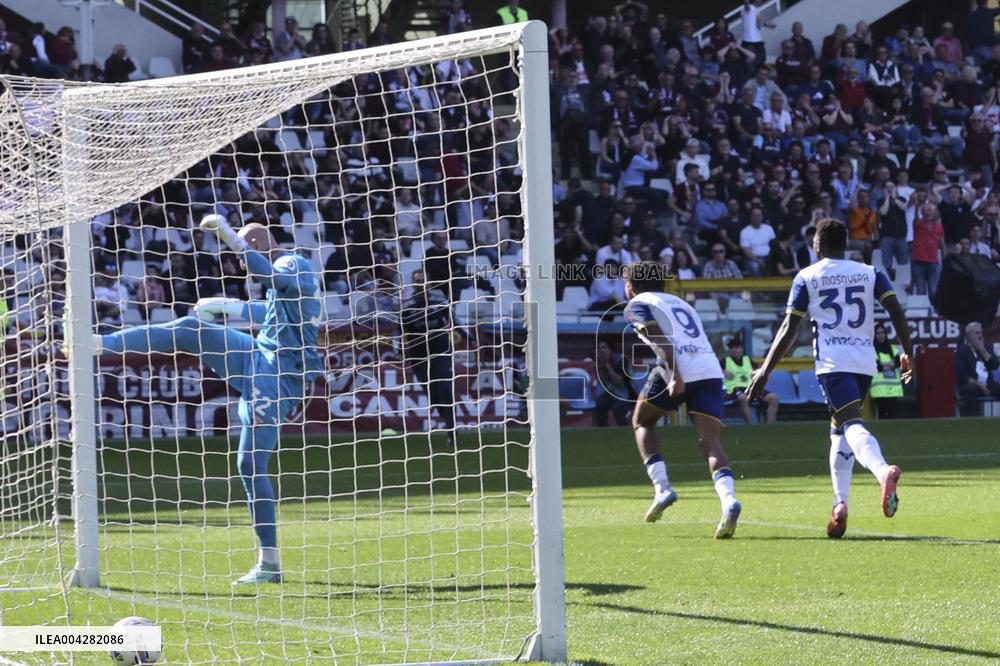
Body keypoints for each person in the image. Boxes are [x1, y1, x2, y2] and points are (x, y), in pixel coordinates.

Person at [90, 216, 322, 584]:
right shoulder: (285, 276)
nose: (241, 265)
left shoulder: (290, 263)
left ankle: (270, 563)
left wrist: (231, 237)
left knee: (250, 464)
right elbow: (272, 312)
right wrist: (228, 307)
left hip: (277, 377)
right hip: (258, 356)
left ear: (256, 247)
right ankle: (101, 344)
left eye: (243, 257)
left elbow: (274, 279)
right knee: (191, 329)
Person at [748, 219, 913, 539]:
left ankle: (883, 472)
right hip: (864, 363)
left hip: (833, 363)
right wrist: (907, 351)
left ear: (818, 245)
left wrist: (765, 370)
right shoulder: (869, 272)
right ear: (846, 242)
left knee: (851, 424)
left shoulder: (807, 276)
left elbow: (789, 328)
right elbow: (896, 310)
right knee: (840, 429)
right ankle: (840, 504)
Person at [623, 262, 743, 539]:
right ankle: (729, 502)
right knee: (710, 443)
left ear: (631, 285)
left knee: (641, 421)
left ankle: (662, 488)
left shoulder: (637, 304)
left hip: (677, 369)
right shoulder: (681, 303)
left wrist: (675, 374)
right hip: (709, 370)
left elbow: (663, 341)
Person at [398, 270, 457, 446]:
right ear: (413, 284)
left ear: (429, 284)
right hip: (419, 357)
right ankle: (449, 424)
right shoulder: (407, 308)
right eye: (417, 281)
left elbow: (455, 322)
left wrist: (470, 339)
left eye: (423, 281)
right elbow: (399, 331)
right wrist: (397, 349)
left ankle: (451, 431)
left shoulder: (439, 304)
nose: (420, 284)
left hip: (441, 352)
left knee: (445, 389)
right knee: (433, 395)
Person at [722, 337, 779, 423]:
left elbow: (760, 370)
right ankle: (750, 425)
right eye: (731, 348)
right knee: (743, 398)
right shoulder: (724, 361)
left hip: (752, 388)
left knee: (774, 398)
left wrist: (761, 374)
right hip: (735, 389)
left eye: (736, 347)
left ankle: (769, 425)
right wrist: (722, 372)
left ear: (741, 349)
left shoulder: (747, 360)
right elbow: (712, 370)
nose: (734, 350)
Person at [955, 321, 1000, 416]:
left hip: (988, 384)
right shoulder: (962, 351)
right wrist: (981, 386)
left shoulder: (987, 347)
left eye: (981, 333)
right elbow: (962, 376)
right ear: (968, 335)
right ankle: (972, 420)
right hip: (970, 385)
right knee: (970, 389)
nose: (980, 336)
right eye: (976, 333)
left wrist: (983, 350)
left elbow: (995, 365)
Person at [593, 339, 633, 427]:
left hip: (627, 393)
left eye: (604, 347)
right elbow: (601, 382)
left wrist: (607, 365)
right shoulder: (598, 362)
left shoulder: (621, 360)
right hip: (611, 393)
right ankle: (602, 432)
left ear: (610, 349)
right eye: (599, 348)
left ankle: (624, 429)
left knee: (618, 407)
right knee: (599, 404)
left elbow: (618, 380)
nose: (601, 350)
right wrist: (601, 367)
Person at [870, 323, 903, 419]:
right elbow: (877, 367)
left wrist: (883, 365)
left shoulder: (893, 349)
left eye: (883, 333)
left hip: (893, 390)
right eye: (878, 333)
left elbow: (898, 363)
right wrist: (890, 364)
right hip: (879, 391)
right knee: (882, 416)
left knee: (892, 416)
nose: (881, 335)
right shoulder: (871, 350)